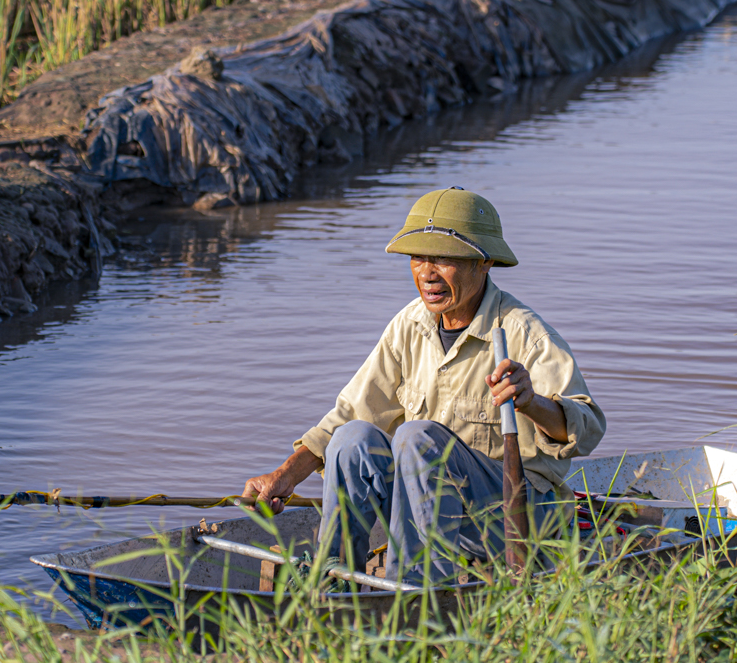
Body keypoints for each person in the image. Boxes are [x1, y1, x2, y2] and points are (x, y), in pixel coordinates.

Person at [241, 187, 606, 583]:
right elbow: (352, 411)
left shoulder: (522, 332)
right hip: (430, 510)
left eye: (444, 259)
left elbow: (585, 430)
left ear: (482, 262)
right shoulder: (410, 325)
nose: (427, 274)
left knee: (418, 439)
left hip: (514, 519)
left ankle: (411, 593)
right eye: (418, 259)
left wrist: (531, 402)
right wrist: (285, 476)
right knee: (351, 439)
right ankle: (334, 582)